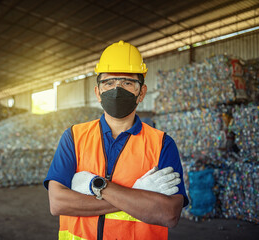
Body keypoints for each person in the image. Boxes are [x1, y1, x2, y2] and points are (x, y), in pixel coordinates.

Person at [44, 40, 189, 240]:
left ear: (141, 93)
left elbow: (169, 214)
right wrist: (137, 195)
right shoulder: (73, 137)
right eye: (109, 83)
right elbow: (58, 203)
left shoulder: (162, 144)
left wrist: (97, 186)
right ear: (98, 92)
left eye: (128, 83)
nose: (117, 89)